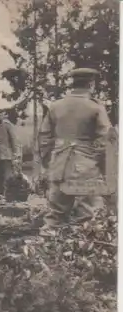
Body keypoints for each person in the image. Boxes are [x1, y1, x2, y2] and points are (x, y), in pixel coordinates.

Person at [38, 68, 111, 236]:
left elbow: (44, 138)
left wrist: (49, 161)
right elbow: (105, 140)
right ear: (91, 84)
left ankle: (46, 253)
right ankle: (80, 256)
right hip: (86, 168)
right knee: (88, 217)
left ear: (73, 84)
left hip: (59, 166)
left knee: (55, 216)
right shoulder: (95, 108)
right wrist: (96, 161)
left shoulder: (55, 106)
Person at [0, 109, 22, 195]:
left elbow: (14, 140)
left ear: (2, 116)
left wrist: (15, 154)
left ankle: (8, 195)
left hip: (6, 156)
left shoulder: (7, 126)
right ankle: (1, 195)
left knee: (7, 177)